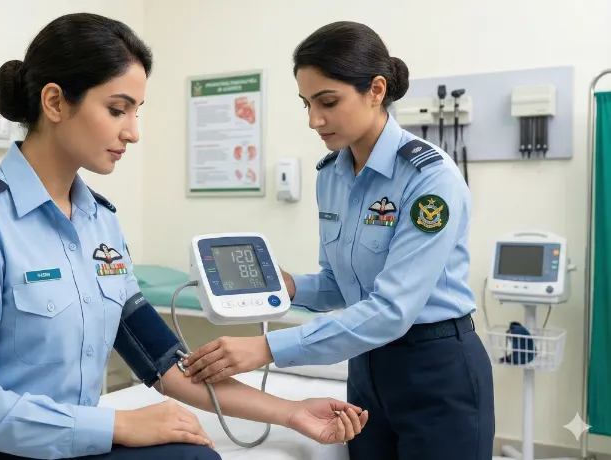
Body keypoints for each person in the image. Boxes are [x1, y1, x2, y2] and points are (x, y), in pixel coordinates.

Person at [0, 13, 368, 460]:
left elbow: (164, 361)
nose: (132, 132)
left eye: (136, 111)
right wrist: (119, 424)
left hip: (67, 444)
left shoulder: (99, 223)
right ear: (54, 103)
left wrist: (291, 413)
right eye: (116, 109)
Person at [182, 21, 495, 460]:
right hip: (365, 364)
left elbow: (391, 308)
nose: (314, 120)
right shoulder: (331, 176)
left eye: (327, 102)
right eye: (307, 103)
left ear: (376, 90)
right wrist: (290, 287)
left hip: (436, 368)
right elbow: (340, 284)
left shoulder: (429, 179)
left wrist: (266, 348)